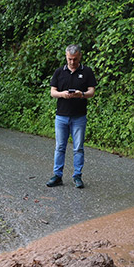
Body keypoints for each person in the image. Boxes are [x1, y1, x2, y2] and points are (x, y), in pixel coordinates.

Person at [46, 44, 97, 189]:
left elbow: (92, 92)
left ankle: (77, 176)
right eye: (69, 59)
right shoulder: (59, 72)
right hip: (61, 116)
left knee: (78, 148)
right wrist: (63, 94)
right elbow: (52, 92)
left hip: (79, 117)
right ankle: (57, 175)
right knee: (60, 147)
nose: (72, 62)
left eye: (74, 59)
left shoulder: (87, 72)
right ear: (66, 57)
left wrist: (80, 94)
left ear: (79, 56)